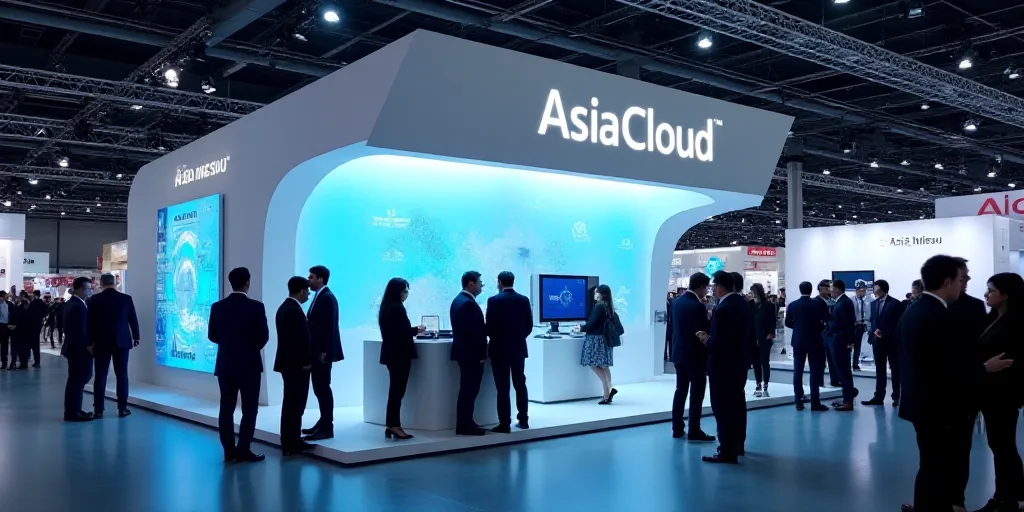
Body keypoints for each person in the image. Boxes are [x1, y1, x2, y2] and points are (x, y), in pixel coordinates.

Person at [898, 255, 1013, 512]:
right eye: (962, 279)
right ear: (948, 281)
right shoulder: (936, 314)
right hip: (940, 405)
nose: (966, 284)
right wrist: (984, 368)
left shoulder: (915, 310)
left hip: (927, 404)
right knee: (937, 467)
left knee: (934, 466)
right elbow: (945, 369)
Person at [209, 267, 269, 464]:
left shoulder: (217, 307)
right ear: (247, 283)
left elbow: (212, 336)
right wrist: (248, 348)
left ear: (230, 283)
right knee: (249, 409)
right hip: (250, 364)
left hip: (225, 363)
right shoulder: (256, 307)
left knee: (226, 407)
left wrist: (229, 345)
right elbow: (263, 337)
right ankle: (244, 449)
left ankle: (228, 450)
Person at [974, 273, 1024, 512]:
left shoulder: (1016, 324)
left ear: (1006, 294)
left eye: (991, 290)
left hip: (1004, 395)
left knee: (1003, 447)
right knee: (1000, 446)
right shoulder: (992, 319)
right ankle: (1006, 495)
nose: (986, 294)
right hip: (990, 394)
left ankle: (1009, 499)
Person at [696, 271, 749, 464]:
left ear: (720, 286)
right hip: (739, 365)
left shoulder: (724, 308)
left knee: (723, 409)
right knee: (737, 406)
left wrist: (706, 339)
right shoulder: (742, 304)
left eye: (713, 286)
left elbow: (720, 342)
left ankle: (726, 450)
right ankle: (737, 445)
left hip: (723, 367)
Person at [669, 272, 715, 441]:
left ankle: (677, 427)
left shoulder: (677, 302)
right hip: (695, 355)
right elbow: (703, 331)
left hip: (679, 353)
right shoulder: (697, 306)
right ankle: (694, 429)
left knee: (680, 390)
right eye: (707, 287)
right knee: (697, 393)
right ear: (702, 286)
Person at [486, 271, 533, 432]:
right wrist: (518, 338)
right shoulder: (523, 300)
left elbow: (490, 327)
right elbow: (529, 326)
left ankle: (504, 423)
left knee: (502, 388)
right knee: (520, 384)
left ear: (499, 282)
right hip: (519, 349)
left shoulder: (493, 301)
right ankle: (524, 419)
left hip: (499, 350)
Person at [273, 276, 316, 455]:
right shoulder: (294, 311)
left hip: (287, 363)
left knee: (290, 402)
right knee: (296, 403)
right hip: (297, 365)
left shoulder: (284, 308)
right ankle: (293, 441)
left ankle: (289, 439)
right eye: (307, 291)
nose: (308, 294)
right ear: (301, 291)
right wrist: (306, 362)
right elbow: (300, 341)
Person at [88, 273, 140, 418]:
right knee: (122, 375)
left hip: (101, 342)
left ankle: (98, 409)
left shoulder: (94, 300)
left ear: (101, 283)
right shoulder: (126, 299)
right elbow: (133, 320)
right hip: (122, 342)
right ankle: (122, 408)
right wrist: (136, 337)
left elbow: (90, 324)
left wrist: (89, 342)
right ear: (115, 283)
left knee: (100, 376)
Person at [378, 277, 424, 441]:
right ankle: (395, 425)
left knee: (395, 391)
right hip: (399, 355)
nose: (406, 294)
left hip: (391, 354)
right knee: (398, 391)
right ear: (398, 292)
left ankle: (391, 425)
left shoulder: (386, 307)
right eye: (405, 291)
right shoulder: (397, 308)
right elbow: (402, 332)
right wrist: (416, 329)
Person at [303, 265, 344, 442]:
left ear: (320, 279)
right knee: (320, 388)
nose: (308, 280)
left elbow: (328, 328)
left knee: (323, 388)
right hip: (319, 352)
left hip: (322, 353)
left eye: (311, 277)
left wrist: (324, 352)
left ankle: (327, 426)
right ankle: (323, 422)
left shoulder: (327, 298)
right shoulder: (321, 297)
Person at [450, 271, 487, 436]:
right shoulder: (468, 304)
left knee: (467, 389)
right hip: (470, 355)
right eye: (480, 282)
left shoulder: (458, 301)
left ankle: (466, 422)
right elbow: (474, 333)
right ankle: (465, 424)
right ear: (471, 283)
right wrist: (480, 354)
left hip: (464, 353)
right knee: (469, 390)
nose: (481, 286)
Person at [785, 281, 829, 411]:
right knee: (814, 372)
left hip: (798, 341)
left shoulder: (793, 305)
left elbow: (788, 323)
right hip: (815, 341)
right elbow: (825, 321)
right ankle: (815, 402)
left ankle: (798, 400)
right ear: (811, 291)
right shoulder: (817, 304)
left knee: (797, 371)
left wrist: (798, 328)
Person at [863, 279, 905, 407]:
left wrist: (885, 332)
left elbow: (899, 323)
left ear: (881, 288)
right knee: (879, 370)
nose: (873, 290)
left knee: (895, 370)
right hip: (878, 342)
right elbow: (871, 321)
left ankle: (896, 396)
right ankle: (878, 396)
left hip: (892, 342)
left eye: (875, 287)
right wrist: (873, 331)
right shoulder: (873, 304)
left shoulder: (895, 304)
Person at [578, 284, 619, 405]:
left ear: (602, 294)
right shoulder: (609, 307)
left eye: (596, 292)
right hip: (605, 339)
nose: (595, 295)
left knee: (593, 363)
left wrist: (580, 328)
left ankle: (606, 390)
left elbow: (591, 324)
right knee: (604, 365)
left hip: (595, 339)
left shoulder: (599, 307)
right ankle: (609, 390)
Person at [61, 277, 94, 422]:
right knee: (79, 379)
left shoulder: (71, 304)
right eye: (87, 288)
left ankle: (73, 410)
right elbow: (80, 331)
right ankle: (73, 412)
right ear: (79, 288)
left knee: (75, 380)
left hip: (72, 348)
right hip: (79, 350)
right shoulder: (78, 307)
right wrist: (89, 346)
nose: (89, 291)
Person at [826, 279, 858, 411]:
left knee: (844, 371)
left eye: (831, 288)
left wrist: (848, 341)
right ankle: (847, 397)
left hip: (841, 341)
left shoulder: (844, 303)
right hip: (838, 340)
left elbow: (847, 324)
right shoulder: (840, 302)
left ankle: (848, 401)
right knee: (842, 371)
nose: (830, 290)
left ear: (838, 289)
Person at [750, 283, 776, 398]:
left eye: (753, 292)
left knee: (765, 362)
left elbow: (772, 320)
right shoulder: (750, 305)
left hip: (765, 336)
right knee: (755, 362)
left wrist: (771, 333)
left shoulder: (768, 305)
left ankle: (765, 384)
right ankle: (758, 384)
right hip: (753, 337)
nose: (752, 295)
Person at [816, 280, 840, 387]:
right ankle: (819, 382)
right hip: (820, 333)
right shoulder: (815, 302)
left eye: (829, 287)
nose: (828, 289)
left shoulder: (833, 301)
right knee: (820, 360)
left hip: (832, 332)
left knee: (834, 357)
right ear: (820, 288)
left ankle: (835, 380)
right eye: (826, 287)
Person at [851, 284, 871, 371]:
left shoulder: (866, 301)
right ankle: (849, 363)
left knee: (858, 346)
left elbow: (867, 313)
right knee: (850, 345)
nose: (864, 293)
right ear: (858, 291)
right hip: (852, 325)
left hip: (861, 325)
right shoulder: (851, 300)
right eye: (862, 291)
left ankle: (855, 363)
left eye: (865, 291)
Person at [26, 290, 47, 367]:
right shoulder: (41, 303)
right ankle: (37, 361)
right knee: (35, 344)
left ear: (36, 295)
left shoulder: (34, 303)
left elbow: (28, 313)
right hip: (37, 325)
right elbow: (45, 312)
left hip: (33, 325)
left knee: (34, 344)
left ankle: (36, 361)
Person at [0, 291, 10, 370]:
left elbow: (5, 316)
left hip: (3, 326)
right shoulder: (6, 305)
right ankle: (4, 362)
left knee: (4, 345)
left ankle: (4, 363)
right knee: (4, 345)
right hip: (4, 326)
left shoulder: (4, 305)